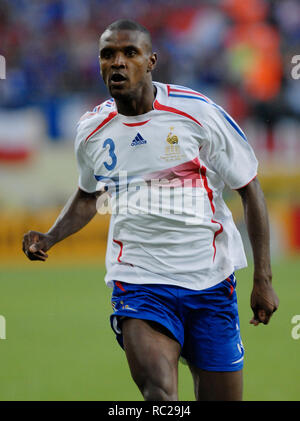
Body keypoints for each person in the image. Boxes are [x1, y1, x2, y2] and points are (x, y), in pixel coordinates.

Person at [22, 19, 279, 401]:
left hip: (210, 282)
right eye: (107, 55)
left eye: (129, 53)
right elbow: (88, 194)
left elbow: (249, 187)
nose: (117, 63)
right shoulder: (92, 130)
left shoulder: (199, 114)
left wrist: (263, 278)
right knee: (159, 396)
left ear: (151, 60)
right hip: (140, 283)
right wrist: (51, 235)